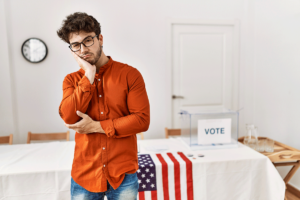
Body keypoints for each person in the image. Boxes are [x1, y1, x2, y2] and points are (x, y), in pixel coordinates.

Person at [57, 12, 150, 200]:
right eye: (76, 45)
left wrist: (97, 126)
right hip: (85, 175)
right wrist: (89, 75)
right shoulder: (71, 80)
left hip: (123, 175)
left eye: (88, 41)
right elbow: (68, 117)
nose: (83, 49)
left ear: (100, 39)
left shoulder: (130, 75)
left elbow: (141, 121)